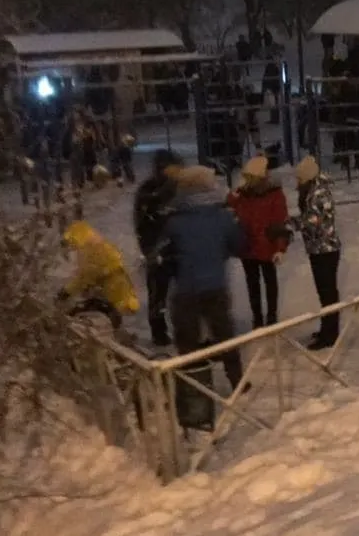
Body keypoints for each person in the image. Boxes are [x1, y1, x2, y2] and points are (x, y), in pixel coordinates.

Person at [158, 165, 247, 391]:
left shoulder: (173, 221)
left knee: (188, 342)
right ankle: (237, 379)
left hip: (186, 289)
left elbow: (163, 254)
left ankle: (195, 387)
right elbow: (238, 246)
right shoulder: (223, 217)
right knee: (225, 334)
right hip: (215, 285)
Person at [227, 155, 289, 328]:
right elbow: (229, 204)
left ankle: (271, 317)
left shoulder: (275, 194)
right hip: (248, 245)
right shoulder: (244, 193)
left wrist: (280, 248)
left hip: (266, 245)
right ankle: (258, 318)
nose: (245, 180)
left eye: (248, 176)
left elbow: (279, 223)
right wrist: (233, 195)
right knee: (252, 283)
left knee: (269, 281)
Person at [293, 155, 343, 351]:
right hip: (318, 248)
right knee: (325, 293)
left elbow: (313, 220)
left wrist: (289, 225)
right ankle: (327, 329)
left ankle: (330, 334)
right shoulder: (312, 191)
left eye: (299, 178)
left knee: (328, 292)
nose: (297, 182)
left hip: (326, 249)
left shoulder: (319, 194)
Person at [133, 149, 182, 346]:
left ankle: (182, 328)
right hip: (158, 249)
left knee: (181, 293)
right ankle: (159, 331)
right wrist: (149, 249)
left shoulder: (179, 188)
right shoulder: (151, 191)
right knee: (158, 293)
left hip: (177, 248)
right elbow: (142, 222)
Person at [59, 220, 140, 319]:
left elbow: (85, 278)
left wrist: (66, 292)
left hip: (111, 294)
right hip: (114, 291)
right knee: (98, 308)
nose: (71, 248)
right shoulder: (98, 244)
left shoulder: (89, 250)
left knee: (85, 308)